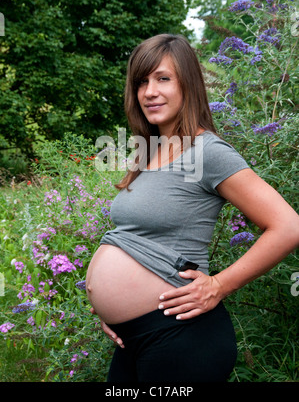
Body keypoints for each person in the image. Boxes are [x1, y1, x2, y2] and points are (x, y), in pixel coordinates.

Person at [85, 34, 299, 383]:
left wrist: (218, 285)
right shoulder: (147, 153)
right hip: (134, 338)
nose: (149, 91)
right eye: (141, 81)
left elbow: (289, 226)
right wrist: (112, 309)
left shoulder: (207, 152)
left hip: (180, 337)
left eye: (162, 78)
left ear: (188, 83)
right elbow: (133, 241)